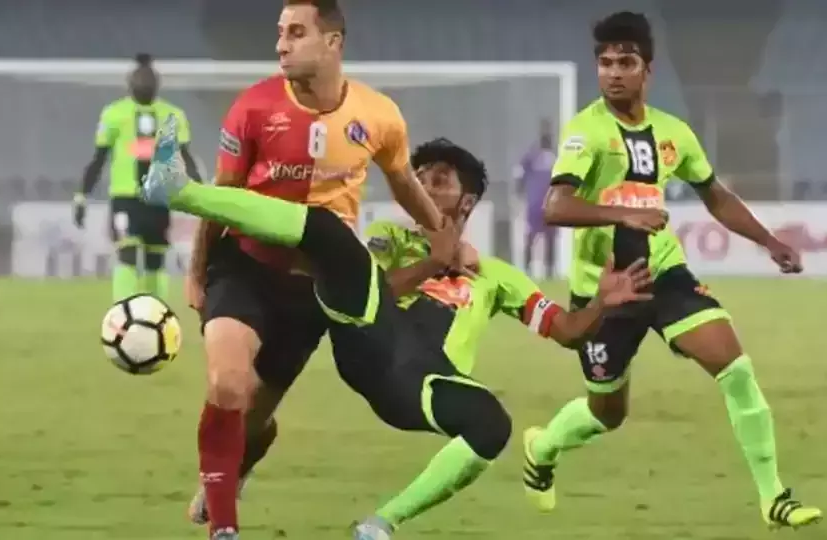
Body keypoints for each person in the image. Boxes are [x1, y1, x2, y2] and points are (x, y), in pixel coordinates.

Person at [144, 117, 651, 539]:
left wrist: (602, 304)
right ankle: (183, 192)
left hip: (422, 382)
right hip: (370, 340)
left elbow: (567, 331)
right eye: (420, 177)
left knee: (492, 425)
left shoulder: (497, 276)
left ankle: (380, 525)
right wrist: (434, 262)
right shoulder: (391, 238)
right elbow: (376, 290)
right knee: (329, 233)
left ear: (467, 203)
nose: (424, 187)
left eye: (440, 180)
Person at [521, 12, 822, 529]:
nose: (614, 73)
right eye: (605, 63)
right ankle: (543, 447)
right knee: (606, 413)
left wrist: (768, 241)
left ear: (648, 70)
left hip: (665, 275)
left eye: (626, 62)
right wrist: (622, 214)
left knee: (735, 369)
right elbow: (555, 206)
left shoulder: (673, 133)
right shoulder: (586, 132)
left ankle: (773, 496)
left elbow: (715, 195)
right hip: (607, 291)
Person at [179, 2, 447, 538]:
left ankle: (239, 462)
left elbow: (403, 183)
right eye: (280, 32)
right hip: (244, 267)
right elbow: (221, 195)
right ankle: (224, 528)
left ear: (333, 42)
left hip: (310, 292)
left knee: (252, 419)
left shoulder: (379, 115)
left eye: (296, 33)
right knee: (227, 384)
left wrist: (444, 234)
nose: (281, 44)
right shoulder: (253, 107)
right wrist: (197, 270)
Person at [73, 53, 201, 302]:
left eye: (148, 78)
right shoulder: (114, 114)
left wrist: (201, 198)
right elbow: (98, 159)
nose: (144, 83)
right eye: (139, 78)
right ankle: (124, 312)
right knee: (127, 253)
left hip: (159, 199)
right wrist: (81, 196)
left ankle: (156, 313)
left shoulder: (173, 115)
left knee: (155, 259)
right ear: (130, 83)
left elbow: (186, 158)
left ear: (157, 83)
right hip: (125, 199)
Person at [515, 118, 558, 277]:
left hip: (550, 205)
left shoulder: (555, 157)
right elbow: (520, 174)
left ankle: (549, 271)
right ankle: (527, 269)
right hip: (536, 204)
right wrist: (519, 192)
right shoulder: (533, 156)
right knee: (532, 237)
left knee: (549, 238)